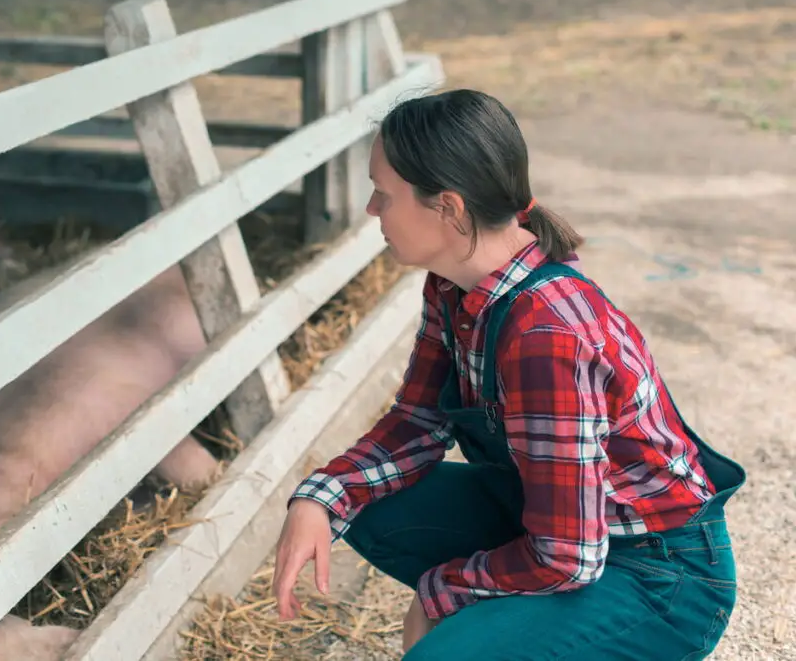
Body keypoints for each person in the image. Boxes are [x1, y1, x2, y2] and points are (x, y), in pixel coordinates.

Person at [270, 88, 745, 660]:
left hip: (657, 577)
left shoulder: (547, 335)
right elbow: (416, 421)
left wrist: (441, 592)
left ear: (447, 208)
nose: (372, 210)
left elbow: (568, 556)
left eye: (383, 194)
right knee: (363, 503)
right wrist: (319, 499)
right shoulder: (452, 285)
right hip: (556, 522)